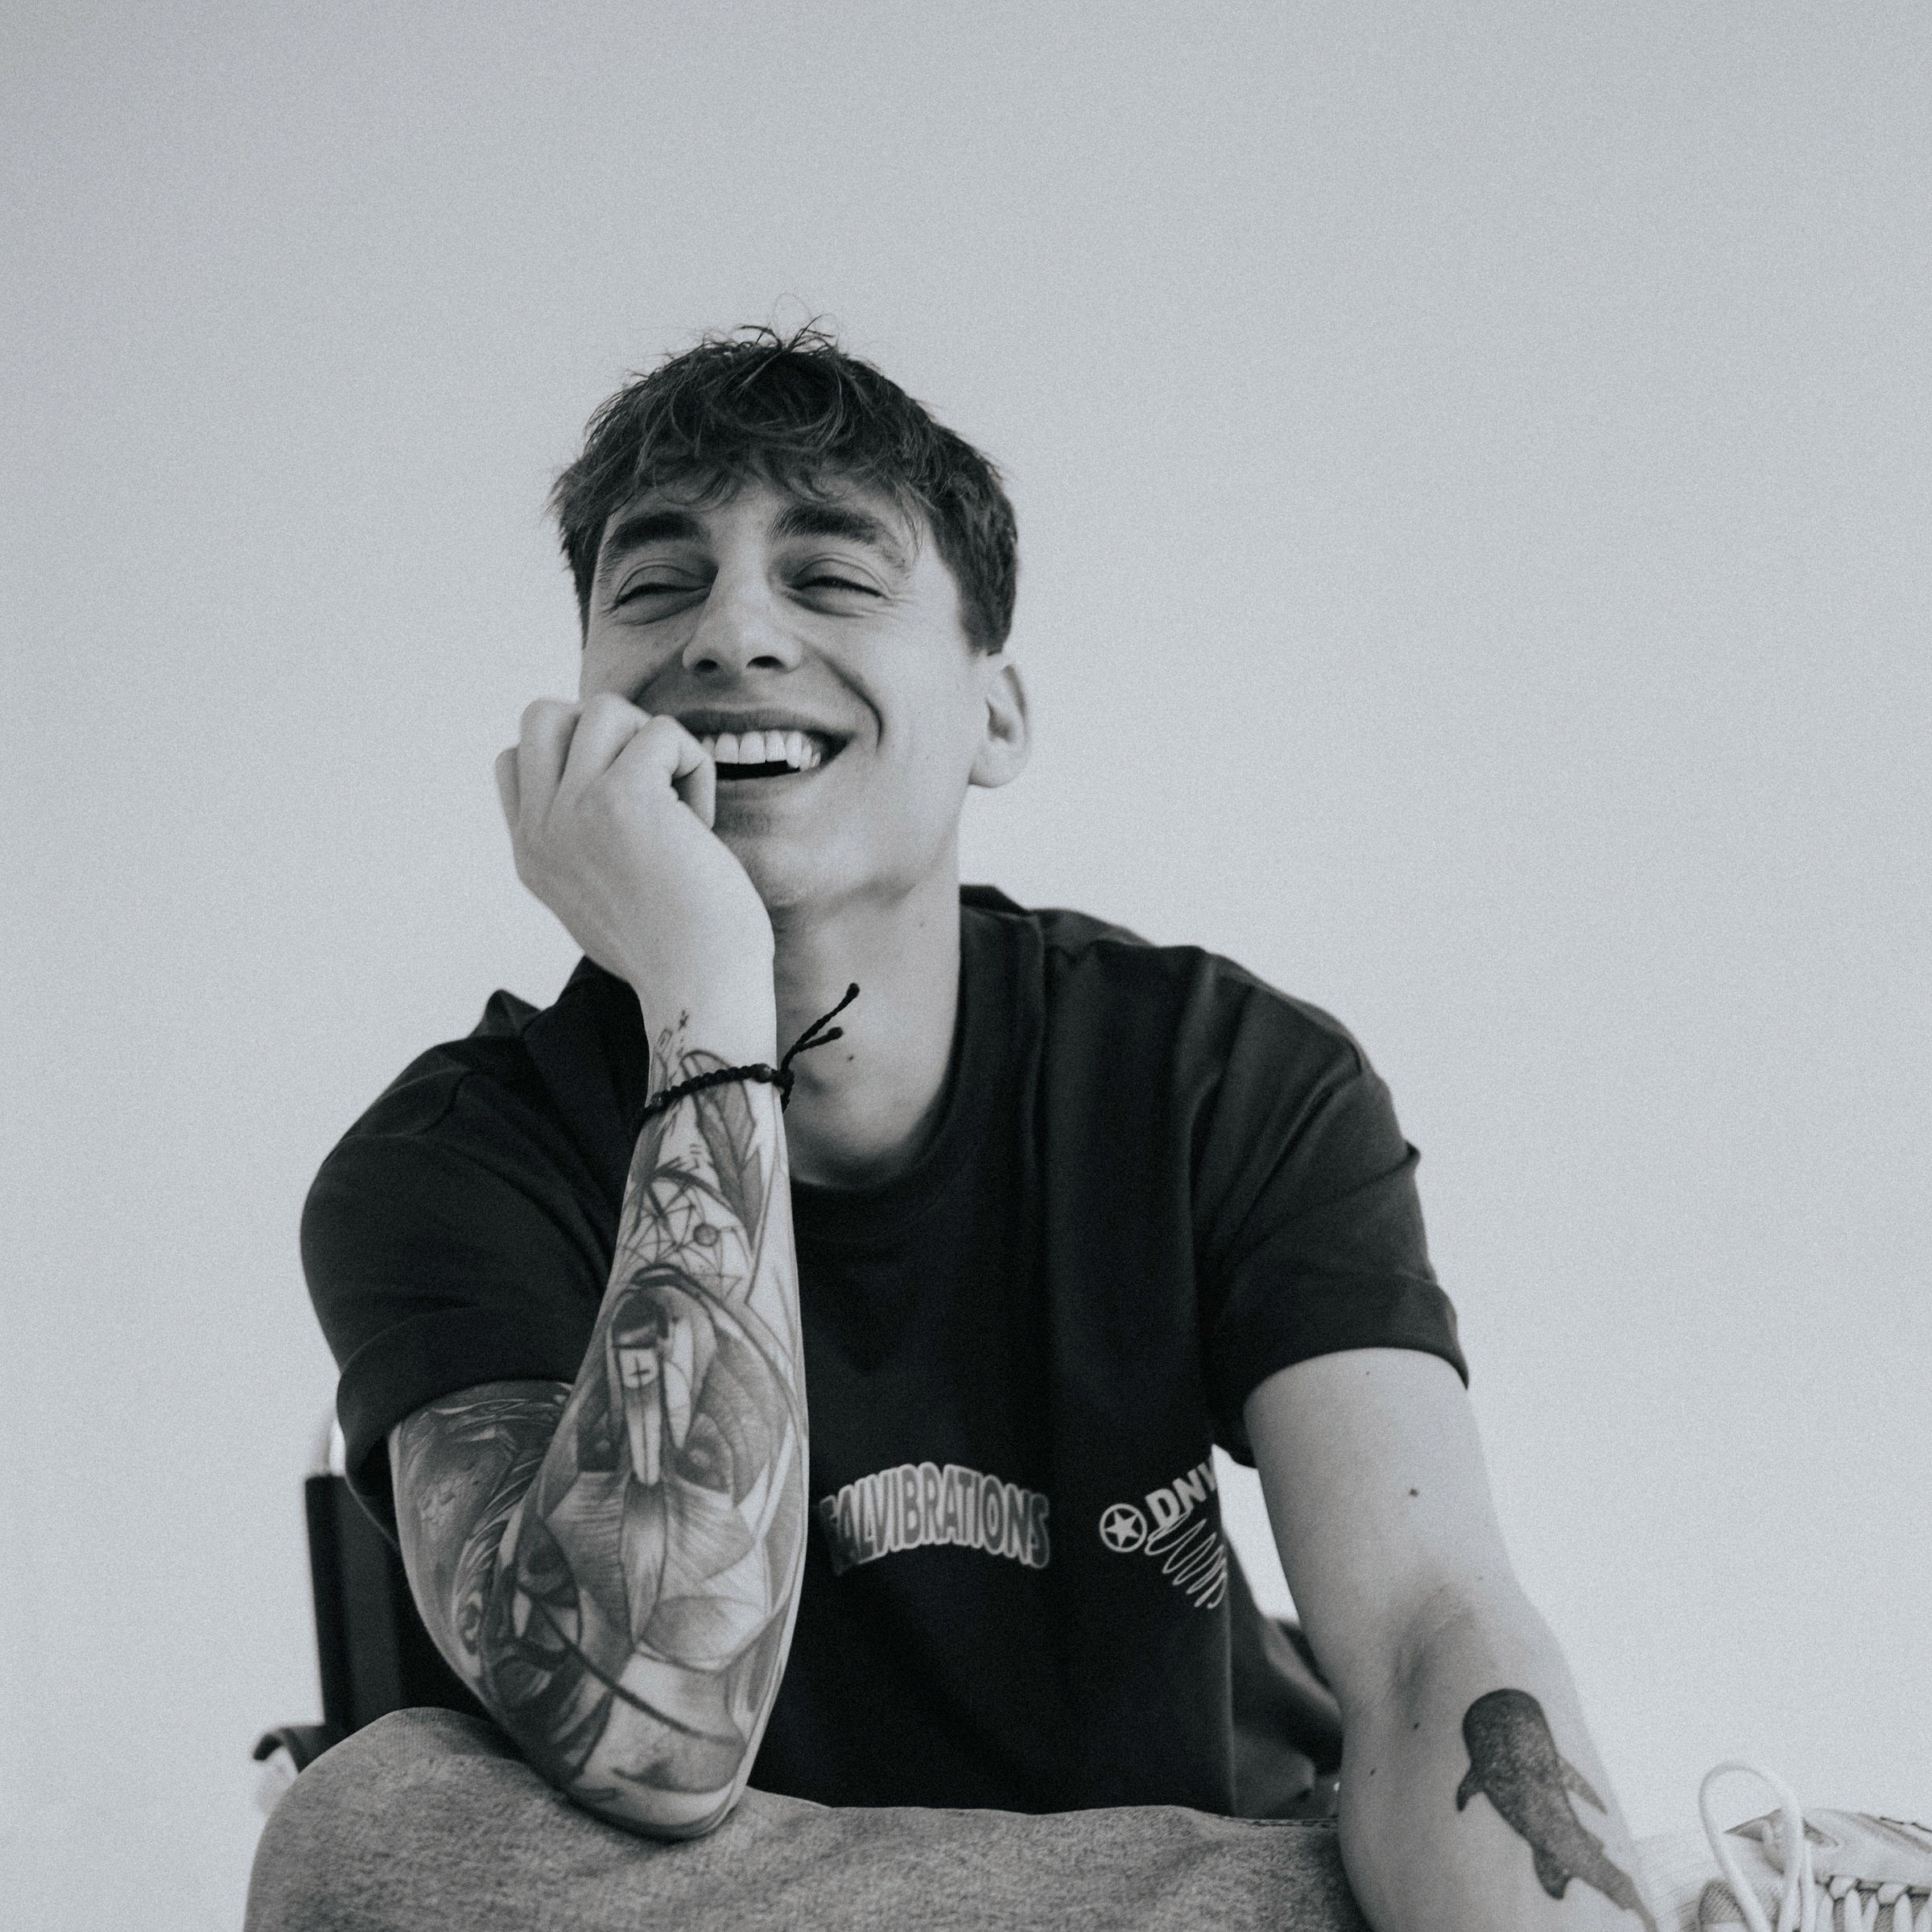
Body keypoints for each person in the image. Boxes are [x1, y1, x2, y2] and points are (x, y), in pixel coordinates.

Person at [271, 325, 1656, 1932]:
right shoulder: (449, 1162)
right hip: (860, 1882)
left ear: (998, 718)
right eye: (656, 586)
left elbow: (1430, 1631)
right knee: (369, 1828)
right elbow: (653, 1745)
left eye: (832, 578)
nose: (729, 632)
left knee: (1486, 1830)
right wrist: (710, 1002)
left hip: (1048, 1850)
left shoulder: (1221, 1079)